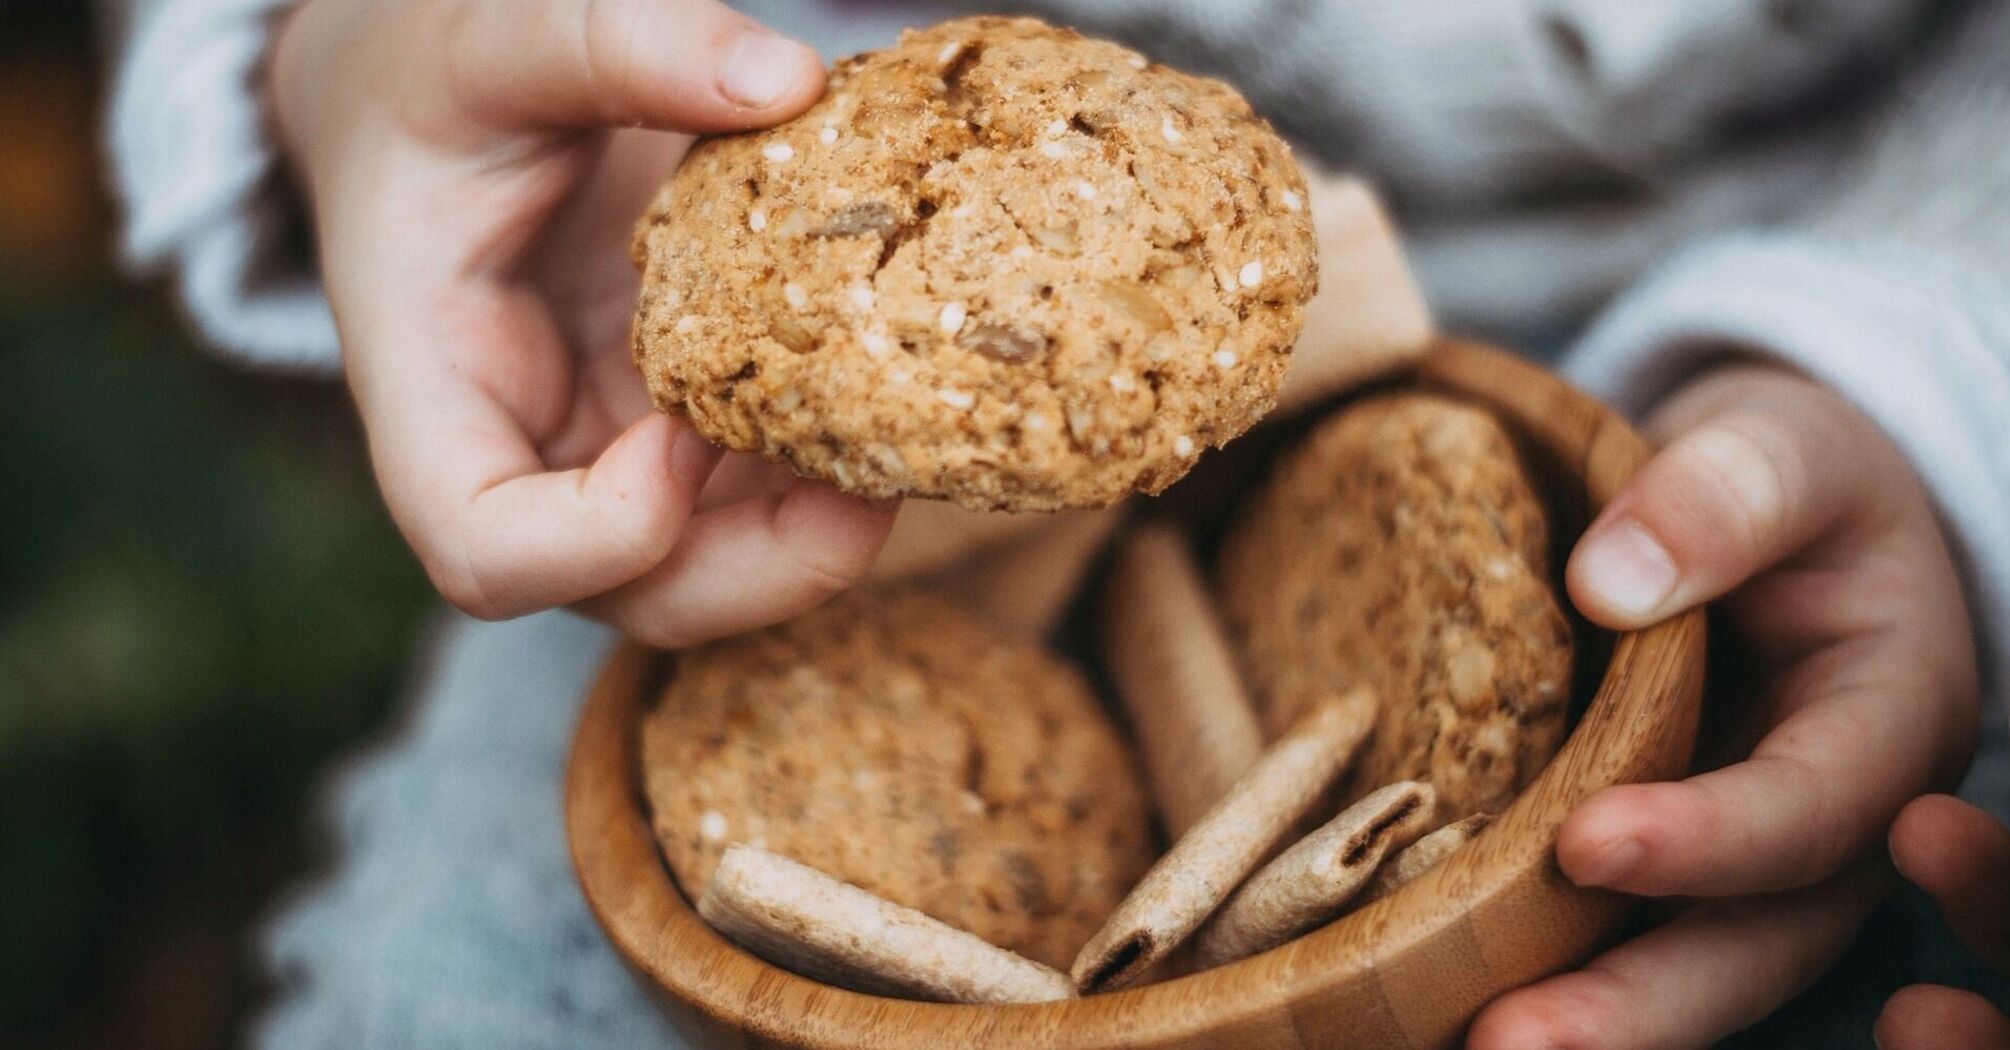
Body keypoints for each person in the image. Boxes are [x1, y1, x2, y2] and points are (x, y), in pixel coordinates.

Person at [106, 0, 2010, 1046]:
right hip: (707, 428)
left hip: (1785, 359)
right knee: (451, 991)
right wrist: (345, 43)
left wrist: (1905, 352)